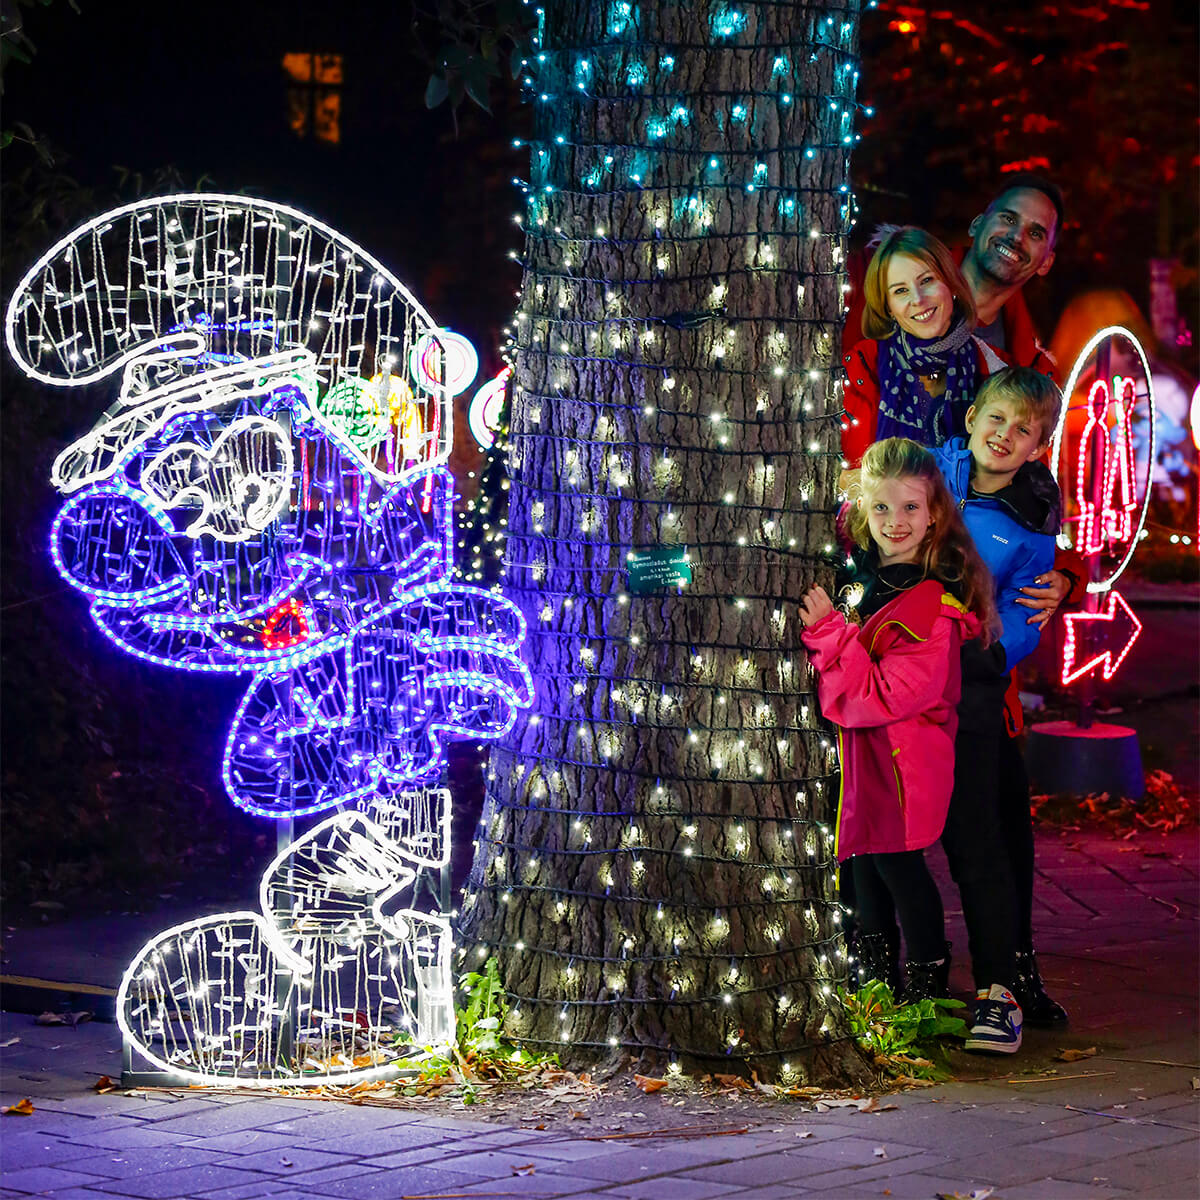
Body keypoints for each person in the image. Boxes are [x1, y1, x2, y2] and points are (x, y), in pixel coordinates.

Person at [798, 438, 993, 1006]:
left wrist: (830, 633)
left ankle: (928, 983)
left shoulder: (932, 606)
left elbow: (882, 696)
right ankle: (875, 979)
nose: (895, 521)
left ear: (934, 515)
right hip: (866, 760)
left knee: (898, 867)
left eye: (910, 507)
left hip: (903, 762)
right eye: (881, 507)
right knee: (862, 867)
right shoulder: (862, 577)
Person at [930, 367, 1065, 1052]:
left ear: (1039, 446)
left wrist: (992, 655)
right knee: (881, 838)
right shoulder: (928, 473)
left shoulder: (1031, 523)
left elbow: (1025, 609)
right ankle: (905, 977)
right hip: (894, 674)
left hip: (969, 682)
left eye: (1024, 430)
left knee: (977, 836)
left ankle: (1000, 991)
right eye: (997, 418)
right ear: (972, 416)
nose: (1005, 435)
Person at [840, 226, 1008, 465]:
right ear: (888, 307)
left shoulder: (996, 370)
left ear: (951, 284)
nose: (918, 299)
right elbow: (836, 471)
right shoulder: (863, 364)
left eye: (927, 280)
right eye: (900, 291)